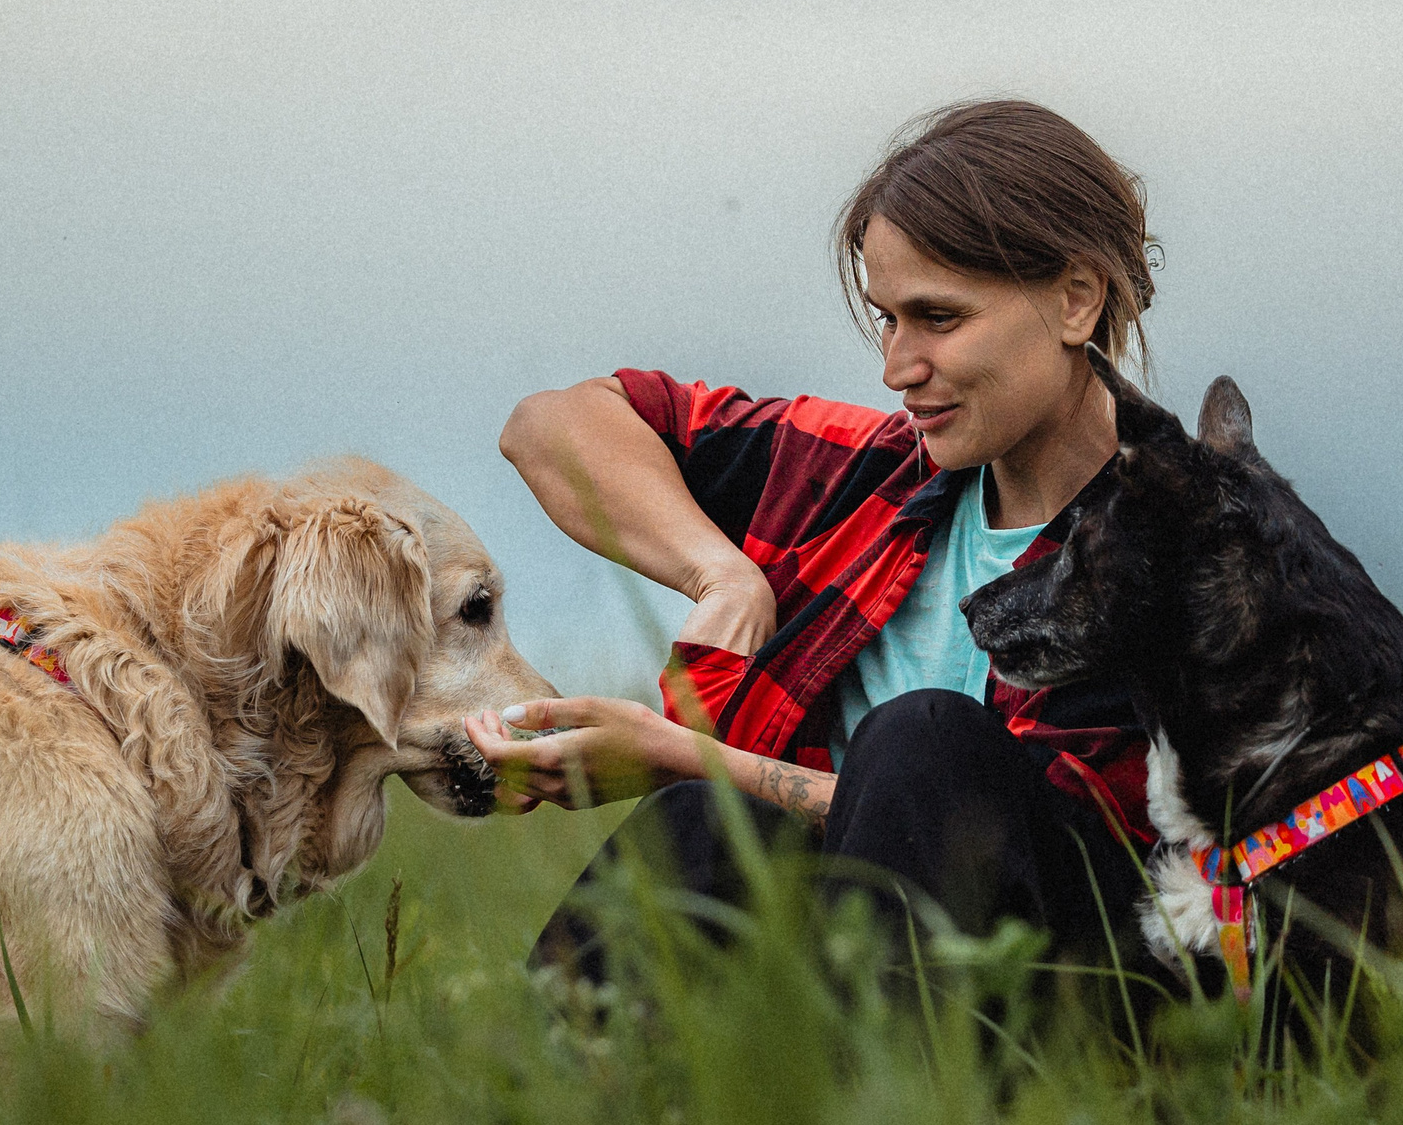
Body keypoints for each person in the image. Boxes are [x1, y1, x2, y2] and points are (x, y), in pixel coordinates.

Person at [469, 99, 1160, 966]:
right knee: (709, 821)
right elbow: (552, 426)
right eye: (888, 317)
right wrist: (721, 574)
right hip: (826, 971)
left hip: (1053, 995)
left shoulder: (1172, 553)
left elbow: (1069, 857)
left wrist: (682, 754)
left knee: (922, 742)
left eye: (938, 318)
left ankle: (884, 1096)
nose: (897, 368)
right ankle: (560, 1088)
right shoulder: (867, 477)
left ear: (1076, 300)